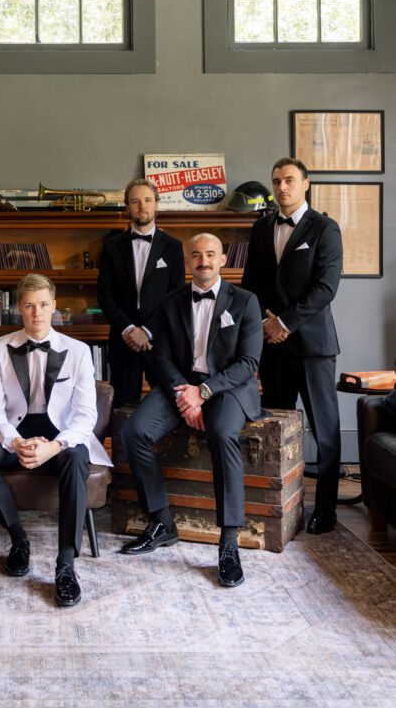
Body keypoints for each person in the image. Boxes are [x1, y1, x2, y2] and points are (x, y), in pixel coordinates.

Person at [120, 234, 262, 588]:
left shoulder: (246, 301)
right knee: (133, 432)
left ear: (223, 260)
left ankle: (228, 542)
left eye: (211, 254)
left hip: (226, 387)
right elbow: (160, 356)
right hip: (181, 385)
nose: (204, 261)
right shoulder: (171, 302)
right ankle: (162, 522)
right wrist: (185, 393)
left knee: (222, 432)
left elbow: (248, 363)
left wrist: (204, 391)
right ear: (188, 262)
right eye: (196, 255)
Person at [0, 273, 112, 607]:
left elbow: (85, 414)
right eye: (30, 305)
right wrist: (15, 442)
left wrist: (54, 446)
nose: (37, 313)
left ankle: (65, 564)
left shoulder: (78, 351)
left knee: (77, 457)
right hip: (13, 430)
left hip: (60, 434)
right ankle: (18, 539)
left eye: (44, 305)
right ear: (19, 307)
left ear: (54, 306)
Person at [241, 157, 342, 535]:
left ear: (305, 184)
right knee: (277, 430)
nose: (281, 187)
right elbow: (251, 284)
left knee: (325, 431)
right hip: (272, 346)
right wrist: (260, 327)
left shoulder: (325, 228)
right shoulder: (261, 227)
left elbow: (326, 288)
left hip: (313, 347)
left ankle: (326, 510)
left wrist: (283, 322)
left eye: (288, 180)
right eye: (276, 181)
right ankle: (280, 504)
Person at [98, 178, 184, 407]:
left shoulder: (174, 246)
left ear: (157, 204)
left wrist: (146, 331)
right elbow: (105, 295)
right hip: (122, 341)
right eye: (135, 201)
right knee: (121, 411)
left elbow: (175, 297)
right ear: (127, 208)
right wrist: (128, 330)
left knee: (166, 408)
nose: (142, 206)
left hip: (161, 342)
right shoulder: (111, 246)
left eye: (147, 200)